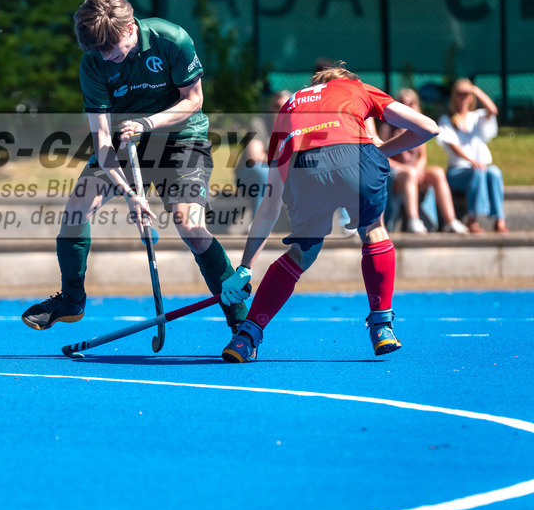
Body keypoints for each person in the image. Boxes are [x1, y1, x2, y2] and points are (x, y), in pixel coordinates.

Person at [21, 0, 249, 333]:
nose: (106, 58)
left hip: (181, 140)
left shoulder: (170, 39)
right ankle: (72, 300)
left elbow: (194, 100)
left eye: (110, 50)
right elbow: (101, 139)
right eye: (98, 52)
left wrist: (148, 123)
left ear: (129, 29)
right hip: (125, 144)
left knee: (190, 226)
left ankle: (239, 314)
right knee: (76, 208)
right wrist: (131, 194)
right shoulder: (94, 63)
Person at [216, 61, 439, 363]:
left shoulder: (292, 103)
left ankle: (246, 337)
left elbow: (269, 205)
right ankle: (382, 326)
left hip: (304, 170)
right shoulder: (356, 87)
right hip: (355, 159)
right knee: (373, 231)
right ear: (344, 78)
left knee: (300, 254)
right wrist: (378, 151)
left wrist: (245, 268)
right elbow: (428, 127)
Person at [378, 88, 468, 234]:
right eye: (402, 102)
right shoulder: (388, 127)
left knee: (437, 173)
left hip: (414, 172)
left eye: (411, 103)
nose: (407, 106)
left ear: (416, 105)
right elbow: (381, 156)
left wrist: (418, 168)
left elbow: (422, 157)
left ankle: (450, 221)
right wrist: (406, 169)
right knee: (410, 175)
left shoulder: (419, 126)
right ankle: (414, 220)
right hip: (395, 174)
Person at [436, 79, 507, 234]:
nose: (462, 97)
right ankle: (472, 218)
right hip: (457, 172)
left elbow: (493, 110)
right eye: (459, 94)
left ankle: (499, 219)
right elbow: (453, 147)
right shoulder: (446, 120)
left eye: (466, 94)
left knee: (494, 172)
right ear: (453, 96)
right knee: (478, 172)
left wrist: (475, 90)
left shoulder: (477, 117)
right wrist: (472, 161)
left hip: (477, 169)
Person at [235, 89, 291, 217]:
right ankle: (259, 224)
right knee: (263, 171)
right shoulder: (258, 123)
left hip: (278, 172)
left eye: (286, 107)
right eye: (277, 106)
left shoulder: (295, 126)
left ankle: (301, 226)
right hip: (248, 174)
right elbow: (254, 156)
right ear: (271, 106)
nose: (281, 111)